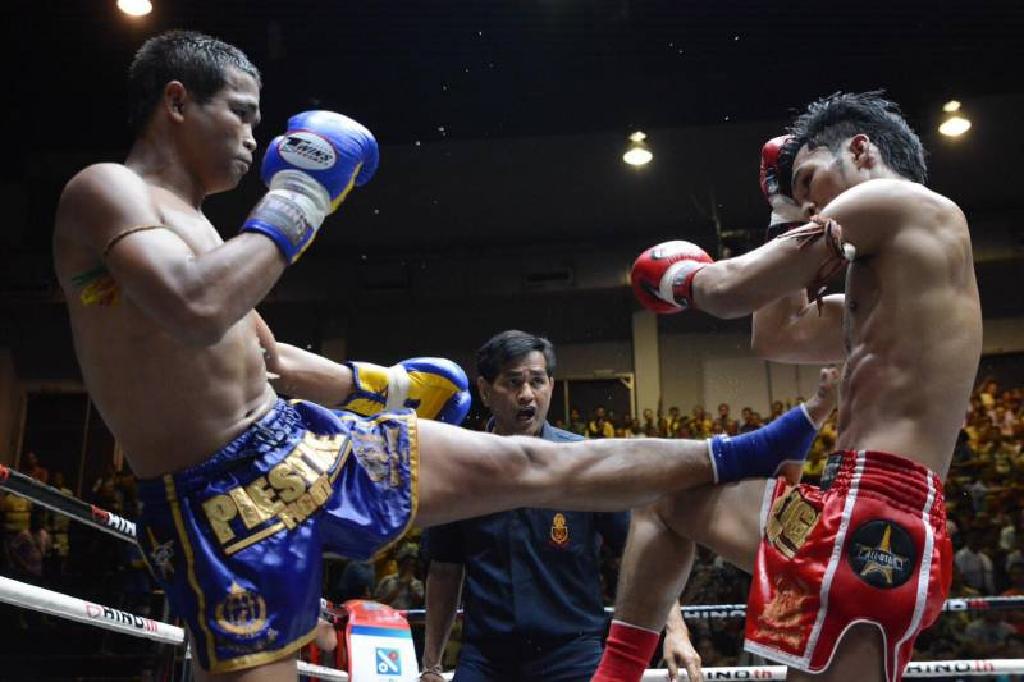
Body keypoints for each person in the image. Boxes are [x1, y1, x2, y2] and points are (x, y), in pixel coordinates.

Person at [53, 30, 833, 681]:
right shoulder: (106, 191)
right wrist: (303, 196)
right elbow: (195, 309)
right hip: (217, 503)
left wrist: (389, 389)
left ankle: (739, 451)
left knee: (534, 465)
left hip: (297, 441)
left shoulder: (205, 231)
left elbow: (274, 360)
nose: (256, 136)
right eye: (242, 113)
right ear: (177, 101)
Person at [601, 91, 981, 682]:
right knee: (666, 499)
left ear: (860, 150)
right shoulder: (886, 289)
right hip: (844, 501)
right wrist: (781, 206)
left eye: (810, 182)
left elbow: (733, 290)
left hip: (880, 515)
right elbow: (775, 336)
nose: (809, 205)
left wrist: (678, 280)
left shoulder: (903, 202)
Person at [420, 331, 635, 682]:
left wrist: (673, 631)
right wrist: (431, 662)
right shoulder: (458, 471)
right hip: (488, 657)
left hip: (573, 652)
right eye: (513, 382)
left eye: (537, 381)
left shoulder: (583, 463)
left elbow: (636, 549)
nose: (526, 395)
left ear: (551, 385)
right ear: (485, 390)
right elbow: (444, 571)